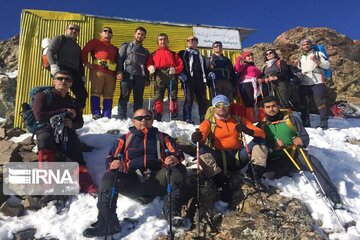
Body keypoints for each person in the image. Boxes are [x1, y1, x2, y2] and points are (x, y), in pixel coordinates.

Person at [82, 108, 187, 237]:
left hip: (157, 180)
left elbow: (178, 153)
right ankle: (107, 222)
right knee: (109, 176)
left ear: (152, 120)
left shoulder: (162, 137)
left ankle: (172, 213)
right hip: (133, 181)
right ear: (133, 121)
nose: (143, 120)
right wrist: (113, 164)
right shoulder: (124, 139)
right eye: (139, 118)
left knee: (178, 169)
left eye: (147, 117)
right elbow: (110, 158)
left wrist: (175, 158)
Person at [259, 96, 341, 205]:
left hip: (296, 154)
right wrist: (273, 146)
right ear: (263, 109)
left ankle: (330, 192)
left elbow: (304, 136)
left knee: (314, 163)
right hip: (277, 158)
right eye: (268, 107)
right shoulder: (262, 126)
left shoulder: (291, 119)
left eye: (274, 106)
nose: (271, 109)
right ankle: (289, 171)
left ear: (278, 106)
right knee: (267, 175)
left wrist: (301, 141)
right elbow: (261, 146)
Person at [190, 95, 267, 202]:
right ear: (213, 108)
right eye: (218, 105)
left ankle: (254, 174)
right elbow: (200, 140)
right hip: (219, 159)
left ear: (229, 106)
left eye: (224, 104)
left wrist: (248, 130)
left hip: (237, 157)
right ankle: (220, 181)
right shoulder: (209, 122)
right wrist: (195, 138)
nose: (221, 107)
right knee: (201, 150)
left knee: (260, 141)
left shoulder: (238, 119)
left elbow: (262, 134)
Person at [33, 70, 97, 193]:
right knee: (45, 142)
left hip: (66, 130)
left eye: (67, 80)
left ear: (71, 84)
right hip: (46, 128)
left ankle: (86, 183)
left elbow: (80, 122)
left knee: (76, 149)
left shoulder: (73, 101)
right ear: (54, 81)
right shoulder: (43, 96)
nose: (63, 81)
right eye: (60, 78)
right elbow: (39, 116)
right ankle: (48, 182)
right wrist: (63, 111)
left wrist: (72, 124)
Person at [46, 24, 88, 109]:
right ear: (66, 30)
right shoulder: (60, 38)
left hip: (75, 72)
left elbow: (79, 62)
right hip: (61, 69)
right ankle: (58, 113)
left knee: (82, 95)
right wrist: (53, 66)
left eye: (77, 30)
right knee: (60, 92)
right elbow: (50, 51)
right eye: (71, 28)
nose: (74, 31)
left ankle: (74, 114)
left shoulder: (77, 47)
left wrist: (82, 75)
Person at [81, 27, 118, 119]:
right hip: (98, 71)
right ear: (100, 33)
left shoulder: (114, 48)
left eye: (109, 31)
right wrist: (86, 63)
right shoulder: (95, 42)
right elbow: (85, 51)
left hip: (111, 73)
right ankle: (96, 112)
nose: (107, 33)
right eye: (105, 31)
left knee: (108, 94)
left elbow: (119, 61)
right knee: (96, 92)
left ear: (112, 35)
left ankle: (107, 114)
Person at [146, 33, 183, 121]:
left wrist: (175, 70)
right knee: (158, 94)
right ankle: (157, 113)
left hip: (171, 73)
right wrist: (150, 67)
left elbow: (181, 65)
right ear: (158, 42)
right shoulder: (153, 54)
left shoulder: (173, 54)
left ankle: (173, 112)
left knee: (173, 94)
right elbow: (148, 63)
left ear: (168, 41)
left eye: (164, 39)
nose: (163, 41)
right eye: (160, 39)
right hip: (159, 74)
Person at [116, 27, 150, 120]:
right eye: (138, 34)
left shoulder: (145, 51)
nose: (140, 36)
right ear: (134, 34)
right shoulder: (126, 46)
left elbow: (147, 65)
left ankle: (137, 117)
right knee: (124, 96)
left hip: (140, 77)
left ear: (144, 37)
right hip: (127, 74)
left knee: (138, 98)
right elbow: (120, 59)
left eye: (142, 34)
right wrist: (119, 71)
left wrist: (147, 78)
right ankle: (121, 116)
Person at [297, 38, 330, 129]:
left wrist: (316, 60)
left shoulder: (318, 53)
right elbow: (300, 70)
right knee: (304, 103)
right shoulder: (301, 57)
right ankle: (305, 122)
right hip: (304, 82)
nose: (305, 46)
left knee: (320, 102)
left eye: (307, 44)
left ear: (311, 44)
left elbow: (327, 65)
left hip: (317, 80)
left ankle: (324, 121)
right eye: (303, 44)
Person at [178, 36, 208, 124]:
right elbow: (179, 64)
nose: (191, 41)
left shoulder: (201, 55)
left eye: (193, 40)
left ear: (197, 42)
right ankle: (187, 118)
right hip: (188, 80)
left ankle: (204, 119)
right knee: (189, 99)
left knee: (202, 100)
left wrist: (208, 74)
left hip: (200, 80)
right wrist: (181, 73)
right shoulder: (183, 53)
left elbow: (204, 68)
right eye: (189, 40)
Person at [234, 51, 262, 122]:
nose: (250, 57)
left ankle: (258, 118)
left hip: (255, 85)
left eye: (251, 55)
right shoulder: (244, 65)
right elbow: (237, 68)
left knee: (257, 102)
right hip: (246, 84)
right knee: (249, 103)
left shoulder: (254, 66)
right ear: (244, 58)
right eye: (248, 56)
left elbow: (260, 75)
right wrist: (239, 58)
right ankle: (249, 120)